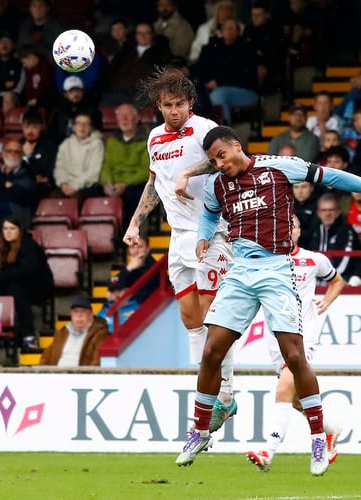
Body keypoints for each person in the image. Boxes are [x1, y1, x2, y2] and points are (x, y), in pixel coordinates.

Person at [172, 125, 361, 473]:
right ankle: (199, 431)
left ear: (236, 146)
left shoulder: (278, 167)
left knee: (294, 357)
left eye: (221, 156)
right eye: (213, 161)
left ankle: (318, 440)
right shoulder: (217, 185)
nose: (219, 164)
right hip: (240, 271)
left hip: (276, 270)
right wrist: (203, 236)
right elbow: (210, 214)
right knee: (212, 350)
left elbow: (330, 176)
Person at [122, 67, 236, 431]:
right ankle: (210, 390)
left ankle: (225, 396)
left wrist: (191, 172)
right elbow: (155, 182)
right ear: (159, 106)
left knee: (215, 317)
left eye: (180, 104)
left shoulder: (203, 129)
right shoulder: (155, 138)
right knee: (191, 319)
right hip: (178, 237)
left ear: (191, 104)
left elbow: (231, 153)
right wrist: (135, 221)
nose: (174, 111)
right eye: (168, 105)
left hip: (212, 232)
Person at [246, 215, 346, 472]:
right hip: (274, 336)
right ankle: (329, 430)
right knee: (296, 398)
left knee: (283, 388)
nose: (288, 230)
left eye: (292, 225)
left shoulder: (314, 259)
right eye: (283, 225)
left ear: (299, 231)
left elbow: (337, 280)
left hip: (304, 335)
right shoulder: (263, 260)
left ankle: (268, 450)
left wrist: (327, 300)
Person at [0, 215, 54, 353]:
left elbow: (26, 271)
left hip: (39, 285)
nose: (8, 232)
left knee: (16, 292)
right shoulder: (5, 246)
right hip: (15, 282)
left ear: (20, 230)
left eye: (12, 228)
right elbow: (6, 269)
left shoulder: (29, 246)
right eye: (5, 229)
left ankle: (28, 336)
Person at [193, 17, 259, 125]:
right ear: (221, 31)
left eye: (232, 28)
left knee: (218, 95)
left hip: (244, 90)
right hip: (212, 88)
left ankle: (224, 133)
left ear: (238, 31)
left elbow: (241, 74)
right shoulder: (213, 47)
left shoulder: (246, 48)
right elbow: (201, 68)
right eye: (226, 28)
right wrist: (208, 82)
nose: (229, 30)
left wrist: (218, 82)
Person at [100, 103, 151, 230]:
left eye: (127, 116)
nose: (124, 119)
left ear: (137, 118)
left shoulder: (147, 139)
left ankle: (138, 241)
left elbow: (146, 170)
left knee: (139, 198)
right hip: (115, 186)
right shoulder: (112, 141)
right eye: (121, 116)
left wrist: (125, 184)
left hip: (136, 185)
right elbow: (106, 166)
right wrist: (107, 183)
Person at [105, 22, 173, 107]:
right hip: (121, 89)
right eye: (139, 33)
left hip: (143, 92)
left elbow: (162, 72)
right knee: (106, 102)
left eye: (146, 33)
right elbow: (113, 69)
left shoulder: (160, 52)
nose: (142, 36)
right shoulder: (126, 50)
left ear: (152, 35)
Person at [0, 139, 38, 227]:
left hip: (17, 214)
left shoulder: (28, 173)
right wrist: (4, 185)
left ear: (22, 155)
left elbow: (21, 195)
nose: (13, 154)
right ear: (3, 153)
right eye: (9, 151)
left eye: (17, 152)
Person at [303, 193, 361, 281]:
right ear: (318, 213)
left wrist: (329, 278)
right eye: (324, 210)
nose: (328, 214)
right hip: (315, 281)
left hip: (340, 281)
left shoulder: (347, 231)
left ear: (338, 212)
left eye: (331, 210)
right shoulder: (313, 230)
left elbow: (345, 262)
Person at [40, 296, 109, 366]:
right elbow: (46, 357)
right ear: (71, 315)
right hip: (57, 374)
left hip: (81, 375)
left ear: (91, 315)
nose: (79, 315)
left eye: (83, 312)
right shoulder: (62, 333)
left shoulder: (100, 334)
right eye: (76, 312)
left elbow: (97, 361)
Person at [54, 111, 105, 203]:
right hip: (66, 185)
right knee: (52, 200)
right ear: (74, 127)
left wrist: (74, 186)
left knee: (74, 200)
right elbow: (60, 168)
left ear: (90, 127)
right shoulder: (65, 144)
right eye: (79, 123)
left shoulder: (97, 144)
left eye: (86, 124)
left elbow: (93, 172)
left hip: (87, 187)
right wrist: (63, 184)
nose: (82, 127)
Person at [242, 0, 287, 94]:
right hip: (252, 61)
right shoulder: (249, 29)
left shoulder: (276, 29)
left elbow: (276, 53)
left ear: (267, 15)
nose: (254, 18)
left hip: (271, 64)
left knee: (260, 70)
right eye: (253, 15)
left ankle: (257, 96)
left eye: (258, 15)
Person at [47, 76, 103, 144]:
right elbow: (53, 137)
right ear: (65, 94)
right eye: (71, 91)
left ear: (83, 92)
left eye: (78, 90)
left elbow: (97, 133)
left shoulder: (92, 111)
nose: (75, 94)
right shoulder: (58, 112)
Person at [20, 107, 58, 200]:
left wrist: (29, 156)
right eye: (27, 127)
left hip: (41, 187)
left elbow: (46, 174)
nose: (30, 131)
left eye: (34, 127)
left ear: (41, 127)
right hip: (19, 183)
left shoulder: (49, 147)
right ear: (22, 127)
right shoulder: (17, 145)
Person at [188, 0, 240, 65]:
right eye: (222, 9)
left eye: (227, 10)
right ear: (217, 11)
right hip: (205, 63)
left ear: (232, 12)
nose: (224, 13)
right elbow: (195, 50)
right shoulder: (204, 29)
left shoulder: (238, 28)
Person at [18, 44, 56, 109]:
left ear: (31, 57)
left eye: (24, 62)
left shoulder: (46, 67)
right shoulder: (28, 70)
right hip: (32, 103)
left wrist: (38, 100)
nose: (24, 65)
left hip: (46, 103)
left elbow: (48, 88)